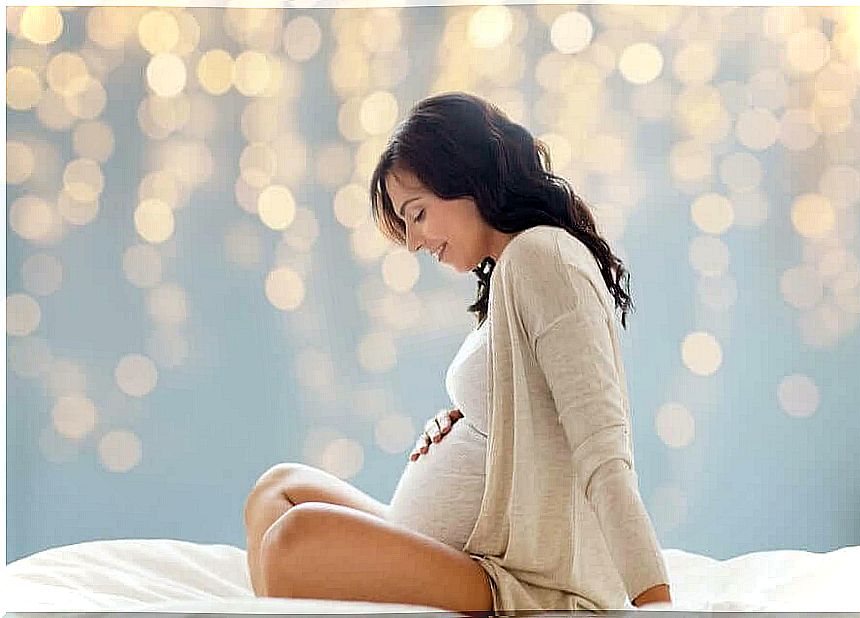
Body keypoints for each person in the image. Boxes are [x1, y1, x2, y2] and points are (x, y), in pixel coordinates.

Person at [243, 92, 672, 612]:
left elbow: (604, 453)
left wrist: (655, 604)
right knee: (278, 490)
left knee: (294, 539)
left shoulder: (544, 259)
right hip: (463, 549)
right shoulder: (515, 269)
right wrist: (468, 425)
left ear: (466, 177)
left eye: (418, 214)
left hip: (521, 580)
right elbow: (530, 416)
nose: (413, 242)